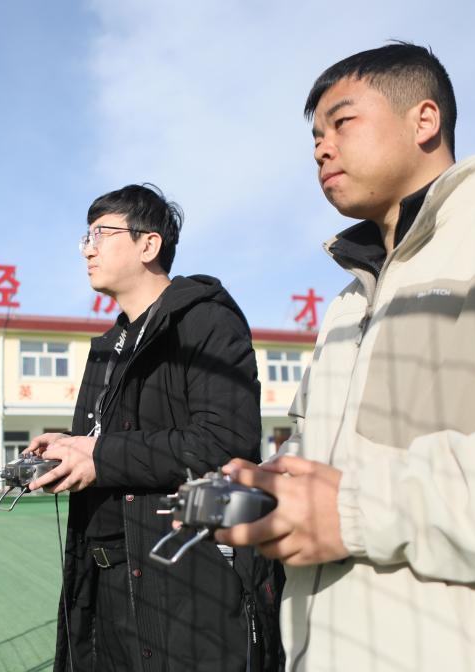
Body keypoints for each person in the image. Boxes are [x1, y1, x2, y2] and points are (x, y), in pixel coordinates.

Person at [216, 42, 475, 671]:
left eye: (341, 122)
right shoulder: (347, 303)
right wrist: (279, 485)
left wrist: (352, 509)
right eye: (314, 136)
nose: (320, 149)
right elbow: (335, 463)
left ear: (424, 120)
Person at [26, 183, 284, 672]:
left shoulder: (204, 321)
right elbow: (114, 440)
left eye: (101, 234)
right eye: (85, 237)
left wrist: (98, 455)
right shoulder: (109, 345)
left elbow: (223, 442)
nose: (88, 249)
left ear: (148, 245)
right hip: (104, 584)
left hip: (183, 583)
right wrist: (72, 446)